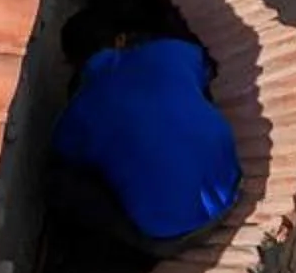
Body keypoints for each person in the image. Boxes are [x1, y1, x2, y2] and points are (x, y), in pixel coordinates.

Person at [50, 30, 242, 251]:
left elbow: (64, 151)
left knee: (58, 182)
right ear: (119, 40)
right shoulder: (172, 49)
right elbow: (205, 70)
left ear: (73, 65)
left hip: (175, 230)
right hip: (231, 178)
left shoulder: (79, 113)